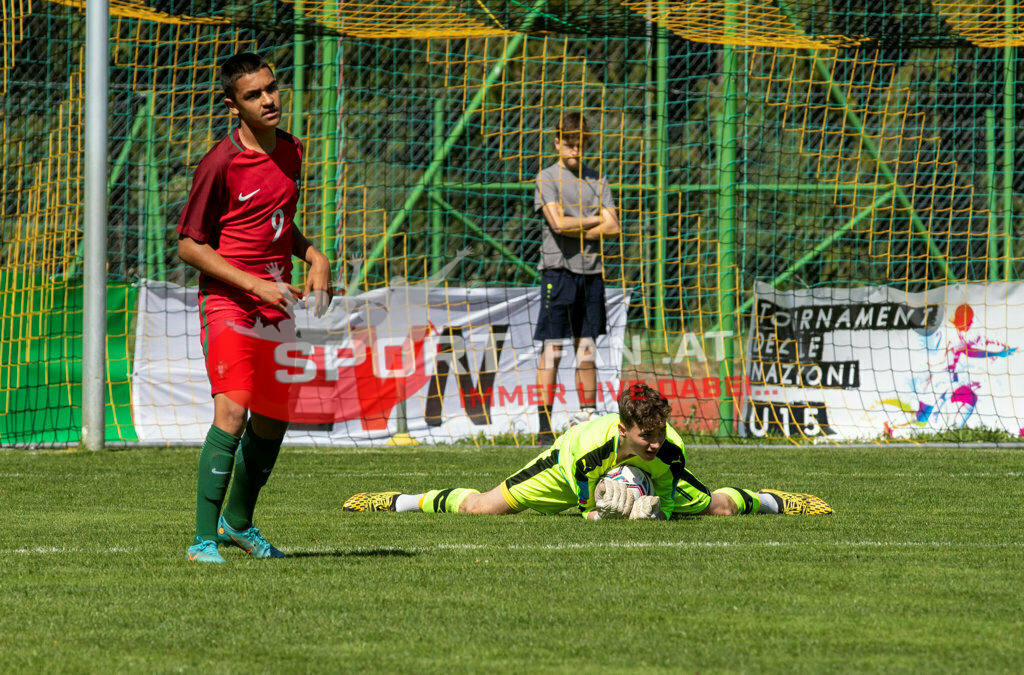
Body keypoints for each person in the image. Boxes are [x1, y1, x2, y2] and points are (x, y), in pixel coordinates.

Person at [176, 52, 331, 563]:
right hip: (229, 303)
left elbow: (277, 226)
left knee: (271, 419)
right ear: (232, 106)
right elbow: (189, 246)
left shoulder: (291, 150)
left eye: (271, 88)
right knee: (234, 410)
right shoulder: (219, 163)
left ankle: (238, 523)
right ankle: (202, 541)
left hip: (276, 304)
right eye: (253, 94)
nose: (268, 99)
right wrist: (254, 285)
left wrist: (313, 255)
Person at [342, 383, 832, 519]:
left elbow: (665, 484)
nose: (655, 443)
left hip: (629, 484)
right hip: (562, 472)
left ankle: (774, 499)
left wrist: (656, 511)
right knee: (479, 506)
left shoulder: (668, 447)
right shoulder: (593, 445)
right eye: (646, 437)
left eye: (660, 433)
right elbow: (582, 486)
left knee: (719, 507)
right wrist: (592, 510)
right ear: (624, 429)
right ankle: (400, 500)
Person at [533, 112, 620, 444]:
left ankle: (588, 418)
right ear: (557, 142)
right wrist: (593, 219)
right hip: (557, 272)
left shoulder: (598, 181)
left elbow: (613, 226)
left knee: (586, 348)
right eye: (568, 142)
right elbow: (557, 225)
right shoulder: (547, 177)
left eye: (581, 143)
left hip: (592, 273)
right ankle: (543, 426)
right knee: (552, 349)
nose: (574, 149)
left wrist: (575, 220)